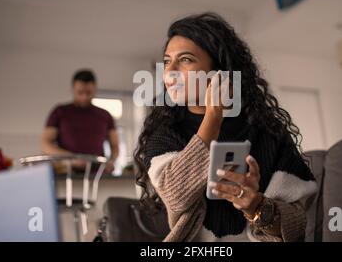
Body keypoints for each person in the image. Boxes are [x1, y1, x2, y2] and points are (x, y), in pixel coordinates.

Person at [133, 13, 317, 242]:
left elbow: (298, 224)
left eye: (185, 59)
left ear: (219, 70)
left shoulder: (268, 132)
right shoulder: (165, 133)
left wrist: (255, 206)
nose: (170, 72)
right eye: (167, 61)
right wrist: (213, 116)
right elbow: (175, 195)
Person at [42, 69, 118, 173]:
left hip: (98, 175)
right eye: (80, 92)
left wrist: (111, 160)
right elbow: (45, 144)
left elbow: (115, 145)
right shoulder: (59, 112)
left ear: (95, 89)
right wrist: (71, 158)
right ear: (73, 89)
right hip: (67, 173)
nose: (84, 96)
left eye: (88, 92)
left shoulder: (105, 115)